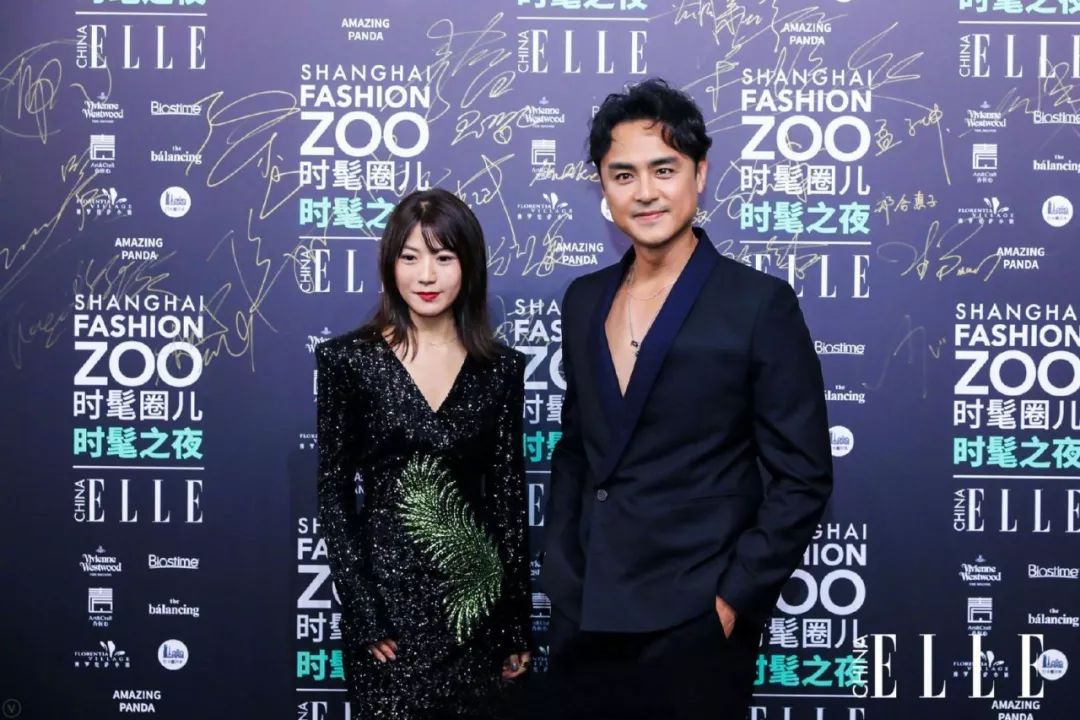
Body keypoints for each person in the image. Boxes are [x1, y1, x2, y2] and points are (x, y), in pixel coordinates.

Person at [539, 78, 834, 719]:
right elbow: (578, 447)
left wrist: (729, 601)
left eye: (664, 169)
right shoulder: (584, 299)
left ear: (700, 173)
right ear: (603, 186)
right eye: (623, 175)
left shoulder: (758, 304)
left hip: (693, 620)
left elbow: (803, 475)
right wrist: (561, 569)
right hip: (586, 613)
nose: (645, 192)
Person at [316, 188, 531, 719]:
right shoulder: (350, 361)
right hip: (388, 617)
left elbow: (507, 500)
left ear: (469, 266)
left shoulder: (499, 369)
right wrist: (364, 613)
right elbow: (334, 492)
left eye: (443, 257)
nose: (426, 276)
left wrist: (514, 624)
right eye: (410, 257)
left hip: (474, 608)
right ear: (390, 265)